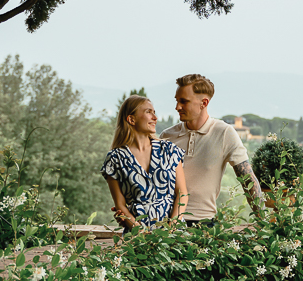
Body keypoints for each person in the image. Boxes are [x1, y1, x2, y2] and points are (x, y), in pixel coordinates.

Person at [159, 74, 263, 225]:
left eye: (184, 102)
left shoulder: (224, 133)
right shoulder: (167, 136)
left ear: (204, 103)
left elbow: (248, 180)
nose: (177, 107)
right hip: (166, 222)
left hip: (203, 225)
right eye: (177, 101)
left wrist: (263, 224)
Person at [101, 95, 188, 231]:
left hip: (174, 235)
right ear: (131, 119)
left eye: (154, 112)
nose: (155, 117)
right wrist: (142, 235)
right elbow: (120, 205)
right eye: (148, 112)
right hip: (137, 238)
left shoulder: (169, 150)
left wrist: (171, 230)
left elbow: (182, 193)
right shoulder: (115, 159)